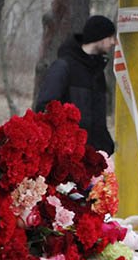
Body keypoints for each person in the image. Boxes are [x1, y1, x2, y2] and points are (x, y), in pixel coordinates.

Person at [34, 14, 117, 155]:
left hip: (92, 157)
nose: (113, 42)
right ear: (100, 38)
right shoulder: (63, 67)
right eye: (110, 37)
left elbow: (98, 120)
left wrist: (105, 145)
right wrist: (64, 143)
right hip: (67, 156)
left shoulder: (98, 71)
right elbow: (44, 108)